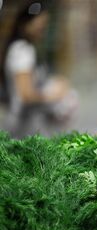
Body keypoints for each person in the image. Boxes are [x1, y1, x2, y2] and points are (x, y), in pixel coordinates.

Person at [0, 1, 77, 137]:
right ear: (26, 24)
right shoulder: (21, 51)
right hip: (22, 126)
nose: (42, 31)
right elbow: (26, 95)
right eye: (40, 27)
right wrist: (53, 95)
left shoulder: (26, 48)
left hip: (29, 124)